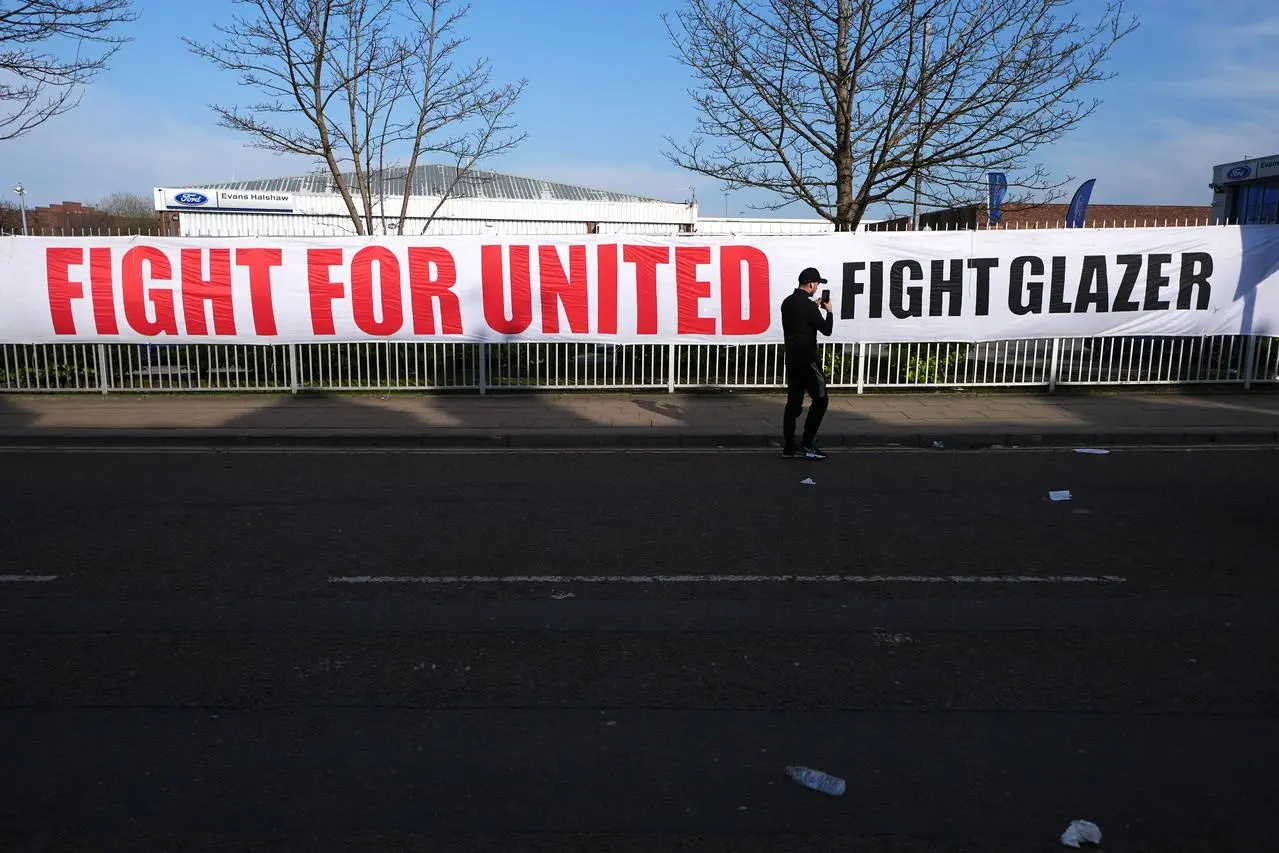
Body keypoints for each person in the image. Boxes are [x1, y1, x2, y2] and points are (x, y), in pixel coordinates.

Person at [780, 267, 835, 459]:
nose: (817, 288)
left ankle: (789, 447)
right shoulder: (810, 307)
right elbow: (826, 330)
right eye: (817, 284)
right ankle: (808, 444)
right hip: (808, 361)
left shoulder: (787, 303)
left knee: (793, 405)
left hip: (792, 360)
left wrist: (814, 306)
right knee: (821, 399)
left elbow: (799, 322)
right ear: (811, 284)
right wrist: (828, 311)